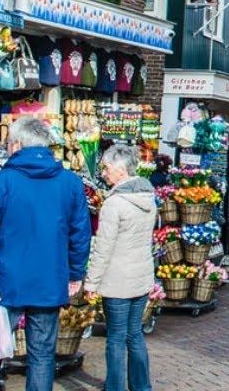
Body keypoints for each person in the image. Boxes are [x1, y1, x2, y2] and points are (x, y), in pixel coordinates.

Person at [0, 117, 91, 391]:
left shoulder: (0, 182)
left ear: (16, 145)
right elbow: (80, 233)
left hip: (5, 280)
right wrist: (75, 273)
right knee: (42, 355)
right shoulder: (70, 183)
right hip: (49, 278)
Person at [85, 145, 156, 391]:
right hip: (141, 276)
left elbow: (104, 248)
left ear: (121, 170)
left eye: (107, 168)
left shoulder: (115, 204)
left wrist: (92, 282)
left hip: (117, 280)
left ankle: (115, 387)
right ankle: (141, 386)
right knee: (134, 335)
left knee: (115, 338)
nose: (104, 173)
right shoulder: (148, 198)